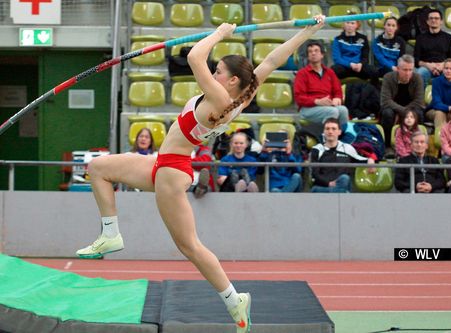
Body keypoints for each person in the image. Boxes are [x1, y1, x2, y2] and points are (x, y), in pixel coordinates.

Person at [75, 16, 326, 333]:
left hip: (171, 170)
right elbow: (275, 59)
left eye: (219, 70)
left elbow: (195, 56)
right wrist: (308, 32)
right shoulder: (242, 95)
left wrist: (219, 34)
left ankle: (233, 299)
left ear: (231, 80)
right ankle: (110, 234)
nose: (214, 73)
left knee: (189, 246)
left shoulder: (220, 97)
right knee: (98, 168)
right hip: (163, 161)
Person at [310, 118, 375, 193]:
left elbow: (361, 160)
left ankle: (340, 192)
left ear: (339, 132)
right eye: (327, 129)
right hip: (322, 188)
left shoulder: (347, 148)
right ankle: (341, 193)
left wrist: (371, 159)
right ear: (324, 132)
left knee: (344, 178)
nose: (330, 132)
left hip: (342, 184)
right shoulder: (317, 149)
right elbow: (314, 174)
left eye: (333, 129)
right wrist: (329, 183)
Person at [294, 41, 349, 126]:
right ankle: (326, 138)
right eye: (310, 52)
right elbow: (299, 98)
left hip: (327, 105)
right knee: (332, 111)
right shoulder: (302, 74)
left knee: (343, 110)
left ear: (322, 55)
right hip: (308, 108)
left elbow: (338, 91)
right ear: (308, 56)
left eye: (316, 51)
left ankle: (343, 137)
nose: (313, 53)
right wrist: (317, 101)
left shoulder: (330, 72)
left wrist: (337, 98)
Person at [414, 9, 451, 89]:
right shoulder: (420, 38)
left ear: (441, 21)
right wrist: (429, 65)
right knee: (420, 73)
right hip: (427, 68)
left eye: (436, 18)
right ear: (427, 22)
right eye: (431, 18)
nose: (433, 20)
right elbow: (416, 60)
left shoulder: (448, 37)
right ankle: (420, 100)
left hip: (445, 66)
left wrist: (443, 65)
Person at [380, 55, 425, 148]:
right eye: (405, 70)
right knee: (387, 113)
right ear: (397, 69)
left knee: (419, 113)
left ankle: (416, 144)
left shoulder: (418, 78)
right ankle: (387, 145)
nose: (408, 73)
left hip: (411, 108)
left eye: (410, 70)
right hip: (393, 108)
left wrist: (405, 113)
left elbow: (419, 101)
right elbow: (385, 101)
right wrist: (402, 111)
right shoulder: (388, 77)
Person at [331, 19, 379, 86]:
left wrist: (360, 64)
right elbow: (337, 59)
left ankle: (375, 93)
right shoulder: (338, 39)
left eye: (352, 23)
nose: (350, 25)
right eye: (347, 22)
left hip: (359, 68)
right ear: (344, 24)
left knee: (374, 71)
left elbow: (365, 57)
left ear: (357, 25)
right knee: (333, 70)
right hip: (344, 68)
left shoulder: (363, 39)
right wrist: (350, 65)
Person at [426, 58, 451, 130]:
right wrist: (448, 108)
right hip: (435, 110)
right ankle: (441, 139)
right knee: (440, 113)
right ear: (443, 70)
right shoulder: (436, 81)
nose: (448, 71)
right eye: (446, 68)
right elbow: (436, 103)